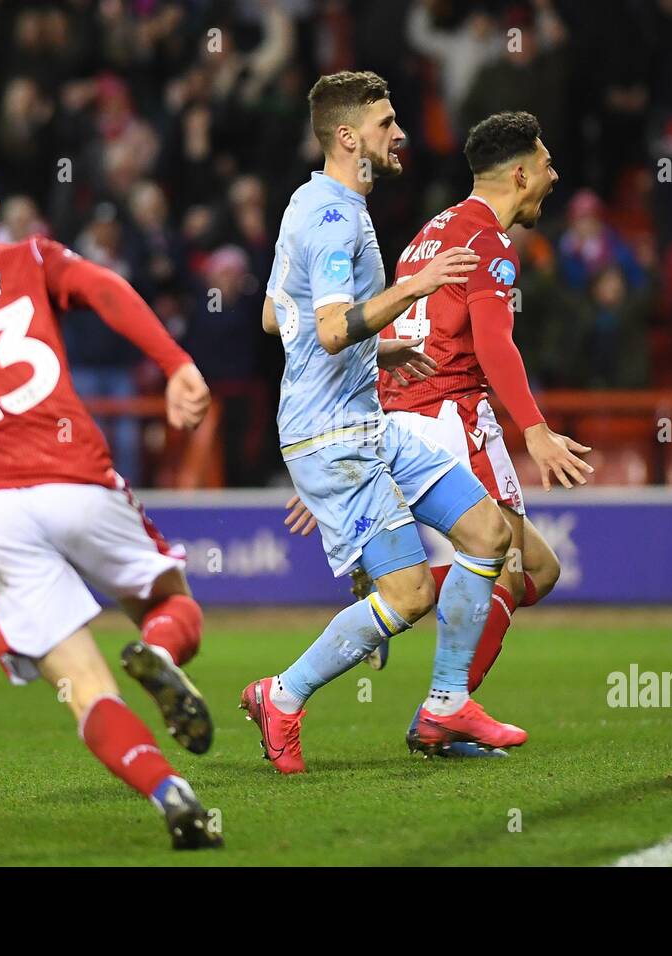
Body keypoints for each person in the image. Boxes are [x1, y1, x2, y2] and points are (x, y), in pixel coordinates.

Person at [0, 145, 219, 850]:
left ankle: (170, 793)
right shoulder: (27, 257)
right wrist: (176, 364)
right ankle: (158, 649)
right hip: (72, 471)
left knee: (85, 688)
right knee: (171, 601)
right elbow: (107, 291)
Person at [241, 71, 528, 775]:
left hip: (365, 422)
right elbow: (334, 328)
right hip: (333, 437)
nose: (399, 134)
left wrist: (381, 344)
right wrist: (411, 291)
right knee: (409, 594)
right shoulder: (335, 216)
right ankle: (282, 693)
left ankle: (445, 702)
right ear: (349, 137)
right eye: (386, 123)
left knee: (488, 532)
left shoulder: (312, 203)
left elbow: (278, 316)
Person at [283, 112, 591, 756]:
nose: (554, 177)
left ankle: (441, 696)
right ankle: (444, 709)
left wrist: (354, 445)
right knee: (514, 563)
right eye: (548, 164)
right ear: (521, 173)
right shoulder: (490, 243)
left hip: (395, 416)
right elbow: (493, 342)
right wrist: (534, 429)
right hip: (453, 417)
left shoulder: (429, 235)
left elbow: (387, 334)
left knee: (529, 566)